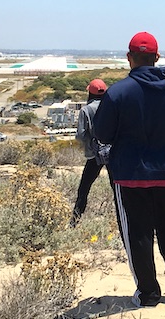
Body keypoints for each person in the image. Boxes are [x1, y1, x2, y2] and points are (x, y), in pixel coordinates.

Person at [92, 32, 165, 307]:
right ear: (157, 57)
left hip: (129, 175)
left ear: (129, 58)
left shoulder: (117, 93)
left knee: (137, 233)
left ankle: (149, 293)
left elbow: (102, 134)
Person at [70, 79, 115, 228]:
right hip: (112, 153)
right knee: (117, 188)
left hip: (93, 155)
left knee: (84, 188)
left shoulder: (86, 110)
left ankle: (75, 221)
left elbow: (81, 135)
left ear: (90, 92)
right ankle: (125, 219)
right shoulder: (112, 106)